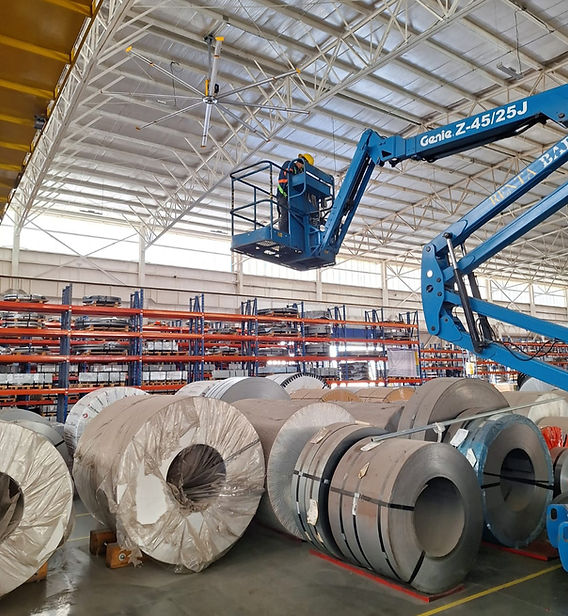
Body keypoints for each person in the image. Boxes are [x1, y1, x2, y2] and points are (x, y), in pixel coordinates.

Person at [276, 153, 314, 232]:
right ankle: (284, 234)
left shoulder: (299, 172)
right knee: (285, 216)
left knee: (297, 218)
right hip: (284, 195)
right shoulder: (290, 164)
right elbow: (289, 178)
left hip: (293, 198)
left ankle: (293, 233)